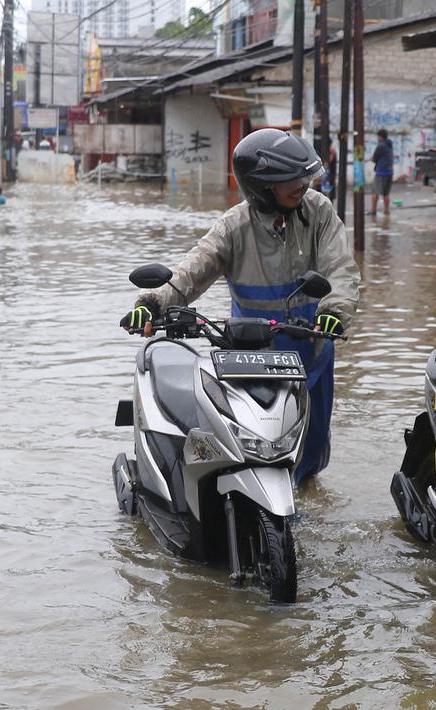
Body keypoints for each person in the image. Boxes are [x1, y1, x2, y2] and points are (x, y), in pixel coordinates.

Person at [124, 128, 361, 485]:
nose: (303, 183)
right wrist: (153, 303)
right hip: (251, 353)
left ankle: (306, 497)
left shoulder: (319, 211)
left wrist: (334, 312)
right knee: (248, 443)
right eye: (291, 179)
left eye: (304, 176)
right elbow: (192, 270)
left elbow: (341, 268)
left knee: (310, 449)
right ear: (262, 189)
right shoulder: (233, 227)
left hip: (311, 345)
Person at [369, 129, 394, 216]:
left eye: (378, 137)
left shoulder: (381, 146)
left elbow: (374, 159)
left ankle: (373, 210)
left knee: (375, 192)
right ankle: (386, 210)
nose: (377, 138)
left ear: (380, 137)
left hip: (381, 172)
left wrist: (372, 158)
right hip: (389, 172)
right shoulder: (389, 145)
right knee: (386, 194)